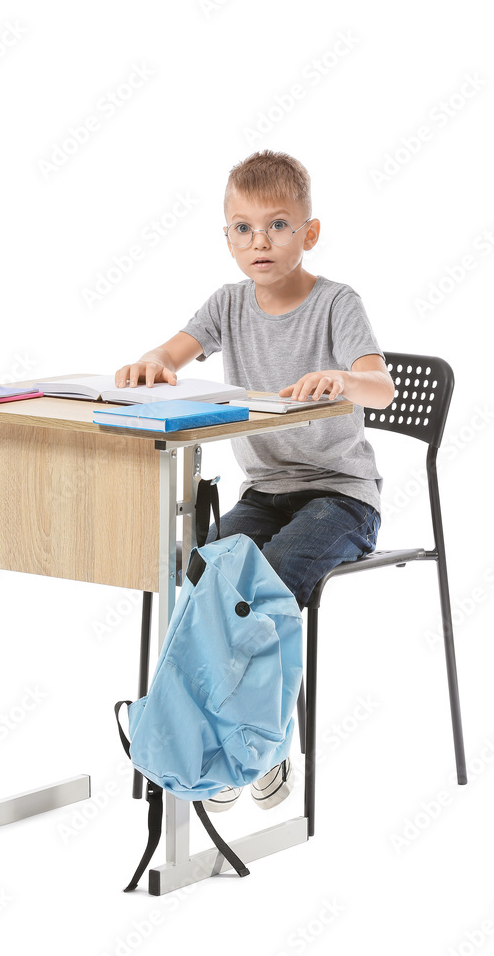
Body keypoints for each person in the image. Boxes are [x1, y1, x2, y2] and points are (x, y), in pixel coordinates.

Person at [114, 149, 394, 812]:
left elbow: (378, 386)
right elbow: (170, 352)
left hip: (339, 498)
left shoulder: (335, 303)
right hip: (265, 494)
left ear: (308, 232)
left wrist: (344, 379)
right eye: (241, 228)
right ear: (226, 238)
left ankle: (251, 750)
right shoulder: (227, 305)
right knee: (203, 575)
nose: (258, 241)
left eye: (275, 225)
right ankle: (236, 745)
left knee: (256, 587)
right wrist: (152, 364)